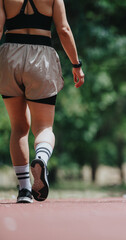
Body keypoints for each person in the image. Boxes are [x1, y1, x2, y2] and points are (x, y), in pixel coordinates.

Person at [0, 0, 84, 203]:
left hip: (9, 55)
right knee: (44, 127)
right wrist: (76, 64)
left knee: (19, 127)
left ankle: (24, 190)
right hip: (41, 56)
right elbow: (63, 30)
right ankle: (41, 159)